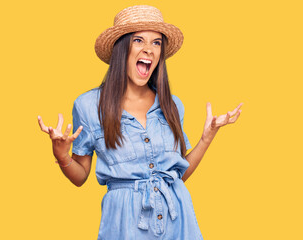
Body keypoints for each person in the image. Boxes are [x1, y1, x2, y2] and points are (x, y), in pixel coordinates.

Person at [38, 5, 242, 240]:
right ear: (121, 49)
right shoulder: (89, 105)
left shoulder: (172, 104)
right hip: (124, 225)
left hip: (179, 223)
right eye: (138, 40)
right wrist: (62, 155)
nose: (149, 49)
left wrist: (207, 138)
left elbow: (177, 175)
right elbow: (80, 176)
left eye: (156, 43)